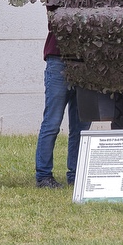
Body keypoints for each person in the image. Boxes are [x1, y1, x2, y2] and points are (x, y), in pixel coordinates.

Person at [35, 31, 92, 188]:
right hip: (59, 60)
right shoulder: (56, 5)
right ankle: (43, 175)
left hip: (86, 61)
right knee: (52, 123)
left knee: (82, 124)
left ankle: (76, 175)